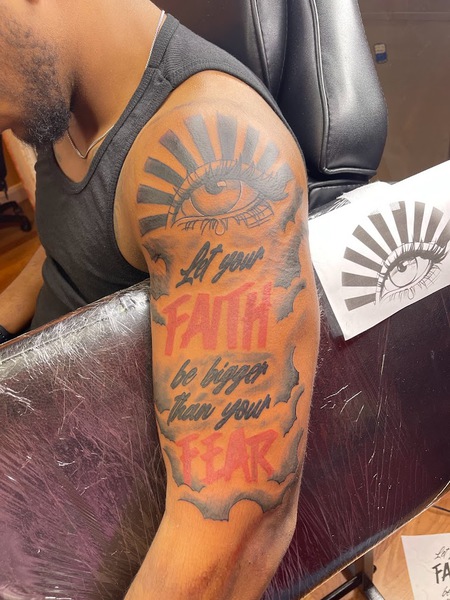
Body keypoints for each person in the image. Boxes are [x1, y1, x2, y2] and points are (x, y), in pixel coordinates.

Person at [0, 0, 320, 597]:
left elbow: (235, 538)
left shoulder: (212, 149)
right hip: (38, 453)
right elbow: (69, 243)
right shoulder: (63, 99)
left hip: (88, 530)